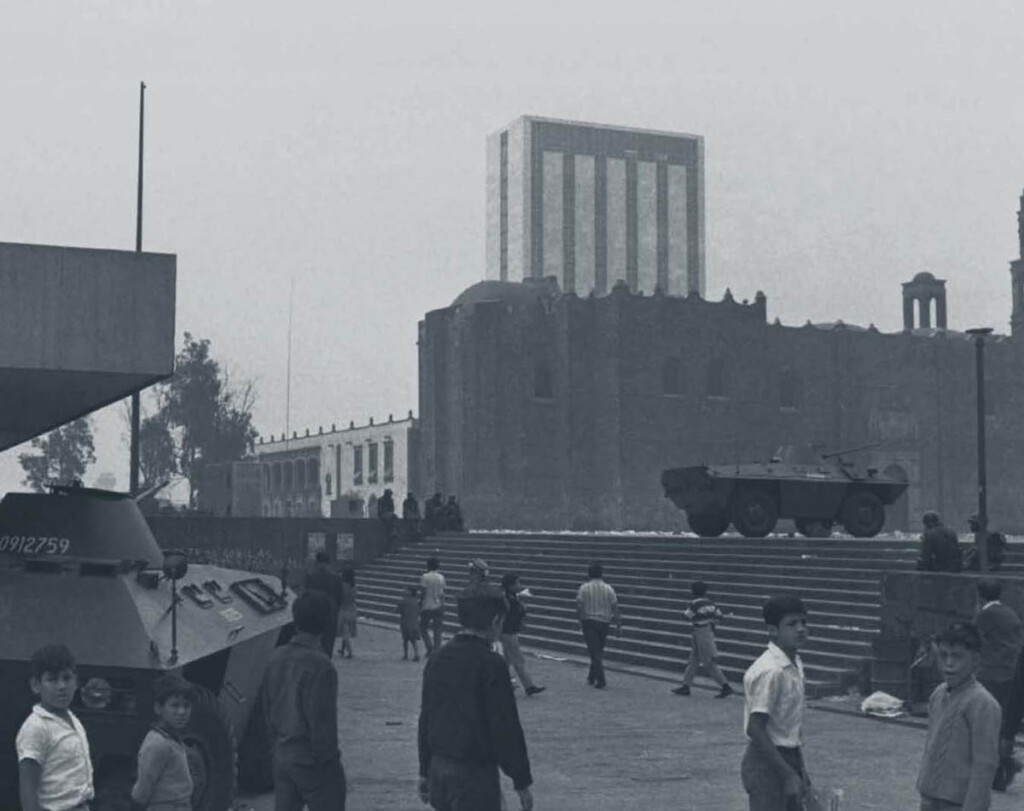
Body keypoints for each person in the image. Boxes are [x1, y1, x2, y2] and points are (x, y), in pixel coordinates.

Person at [418, 583, 534, 811]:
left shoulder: (438, 658)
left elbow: (426, 716)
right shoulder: (491, 664)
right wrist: (521, 779)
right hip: (474, 773)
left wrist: (424, 769)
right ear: (495, 621)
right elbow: (504, 725)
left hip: (439, 767)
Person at [263, 590, 347, 811]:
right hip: (310, 757)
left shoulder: (275, 657)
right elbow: (321, 723)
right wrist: (329, 762)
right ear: (327, 622)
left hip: (282, 753)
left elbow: (266, 706)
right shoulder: (321, 665)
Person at [917, 621, 1001, 811]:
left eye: (957, 657)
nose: (949, 664)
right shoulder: (938, 695)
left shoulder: (983, 704)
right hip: (930, 800)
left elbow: (985, 766)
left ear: (975, 660)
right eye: (943, 656)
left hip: (958, 804)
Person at [741, 595, 811, 811]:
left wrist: (800, 770)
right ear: (772, 630)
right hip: (766, 763)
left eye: (803, 622)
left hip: (788, 758)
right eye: (791, 624)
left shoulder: (794, 662)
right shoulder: (771, 671)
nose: (800, 629)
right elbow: (755, 727)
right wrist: (788, 774)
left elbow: (788, 729)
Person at [17, 644, 94, 811]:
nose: (61, 686)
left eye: (67, 678)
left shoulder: (73, 720)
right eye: (52, 679)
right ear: (36, 685)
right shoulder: (36, 727)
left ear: (76, 682)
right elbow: (28, 788)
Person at [974, 579, 1023, 790]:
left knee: (985, 720)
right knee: (1003, 722)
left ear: (980, 596)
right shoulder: (1009, 612)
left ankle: (1001, 764)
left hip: (992, 672)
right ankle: (1002, 764)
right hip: (1011, 672)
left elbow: (973, 639)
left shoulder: (985, 614)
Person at [131, 674, 195, 811]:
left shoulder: (172, 739)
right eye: (175, 705)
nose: (182, 711)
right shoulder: (158, 744)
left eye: (187, 706)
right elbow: (142, 790)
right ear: (159, 708)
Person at [672, 580, 734, 698]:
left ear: (693, 591)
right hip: (707, 631)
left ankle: (725, 686)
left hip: (700, 632)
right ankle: (686, 686)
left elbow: (686, 616)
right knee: (694, 660)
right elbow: (719, 617)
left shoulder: (695, 604)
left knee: (708, 662)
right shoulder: (711, 603)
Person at [576, 562, 622, 689]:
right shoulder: (608, 588)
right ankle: (592, 676)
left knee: (594, 651)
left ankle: (600, 679)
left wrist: (580, 620)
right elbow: (615, 607)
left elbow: (579, 606)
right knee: (598, 650)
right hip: (604, 622)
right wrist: (618, 624)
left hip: (589, 621)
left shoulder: (584, 588)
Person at [500, 573, 546, 697]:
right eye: (517, 583)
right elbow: (504, 615)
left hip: (510, 630)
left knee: (506, 660)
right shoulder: (506, 598)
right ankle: (528, 686)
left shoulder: (512, 596)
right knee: (518, 659)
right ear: (510, 585)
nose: (519, 585)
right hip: (507, 632)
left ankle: (509, 684)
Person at [304, 550, 343, 657]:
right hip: (331, 613)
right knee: (328, 644)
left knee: (313, 643)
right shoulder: (336, 577)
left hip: (315, 613)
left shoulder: (311, 576)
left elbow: (307, 595)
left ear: (317, 561)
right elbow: (340, 598)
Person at [420, 556, 447, 656]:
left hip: (427, 605)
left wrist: (420, 603)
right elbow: (442, 593)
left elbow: (423, 592)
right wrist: (443, 604)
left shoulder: (425, 577)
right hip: (438, 604)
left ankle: (429, 646)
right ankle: (437, 649)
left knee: (423, 627)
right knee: (438, 629)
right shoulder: (441, 577)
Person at [337, 567, 358, 659]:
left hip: (344, 610)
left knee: (344, 632)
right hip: (353, 609)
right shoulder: (354, 586)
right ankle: (342, 649)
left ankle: (350, 652)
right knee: (347, 631)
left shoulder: (342, 586)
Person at [399, 586, 423, 662]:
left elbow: (398, 610)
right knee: (413, 640)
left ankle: (406, 655)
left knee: (405, 640)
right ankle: (417, 654)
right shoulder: (416, 602)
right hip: (415, 622)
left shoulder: (403, 601)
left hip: (405, 622)